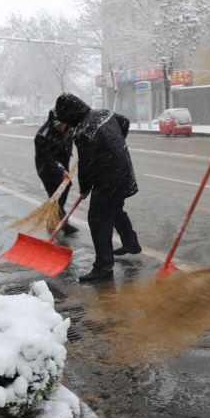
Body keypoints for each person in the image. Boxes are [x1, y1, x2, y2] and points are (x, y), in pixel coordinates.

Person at [53, 93, 141, 282]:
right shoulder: (104, 113)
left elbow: (88, 164)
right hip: (123, 170)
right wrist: (115, 145)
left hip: (108, 178)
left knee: (98, 220)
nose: (67, 123)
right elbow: (124, 122)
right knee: (115, 210)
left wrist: (85, 187)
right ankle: (131, 244)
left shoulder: (85, 131)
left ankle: (103, 268)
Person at [34, 110, 77, 236]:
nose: (62, 127)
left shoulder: (68, 128)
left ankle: (52, 221)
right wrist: (61, 170)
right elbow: (47, 158)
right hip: (47, 168)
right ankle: (64, 223)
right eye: (58, 125)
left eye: (64, 124)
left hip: (64, 165)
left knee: (65, 189)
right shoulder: (42, 136)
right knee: (55, 194)